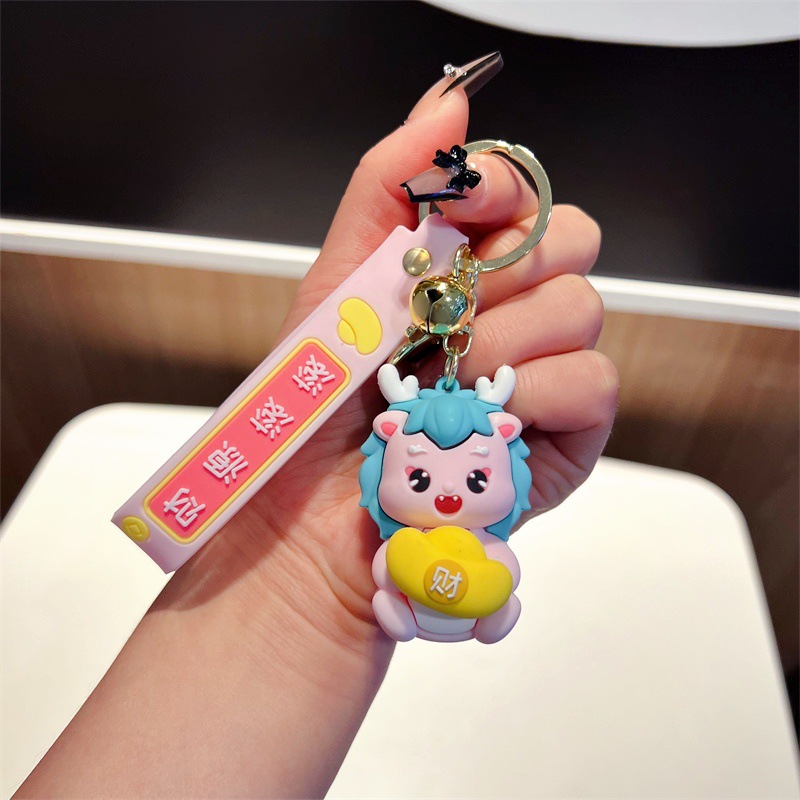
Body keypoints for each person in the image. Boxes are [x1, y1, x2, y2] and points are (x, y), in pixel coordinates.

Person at [16, 70, 617, 798]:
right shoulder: (390, 515)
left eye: (473, 479)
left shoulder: (463, 498)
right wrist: (295, 581)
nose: (446, 497)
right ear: (387, 444)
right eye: (419, 477)